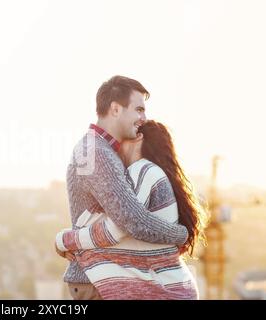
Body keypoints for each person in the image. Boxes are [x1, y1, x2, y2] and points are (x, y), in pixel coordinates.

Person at [54, 75, 189, 300]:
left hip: (107, 279)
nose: (143, 118)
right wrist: (180, 234)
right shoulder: (96, 152)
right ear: (116, 109)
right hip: (97, 282)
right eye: (138, 109)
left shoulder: (105, 151)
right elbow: (131, 221)